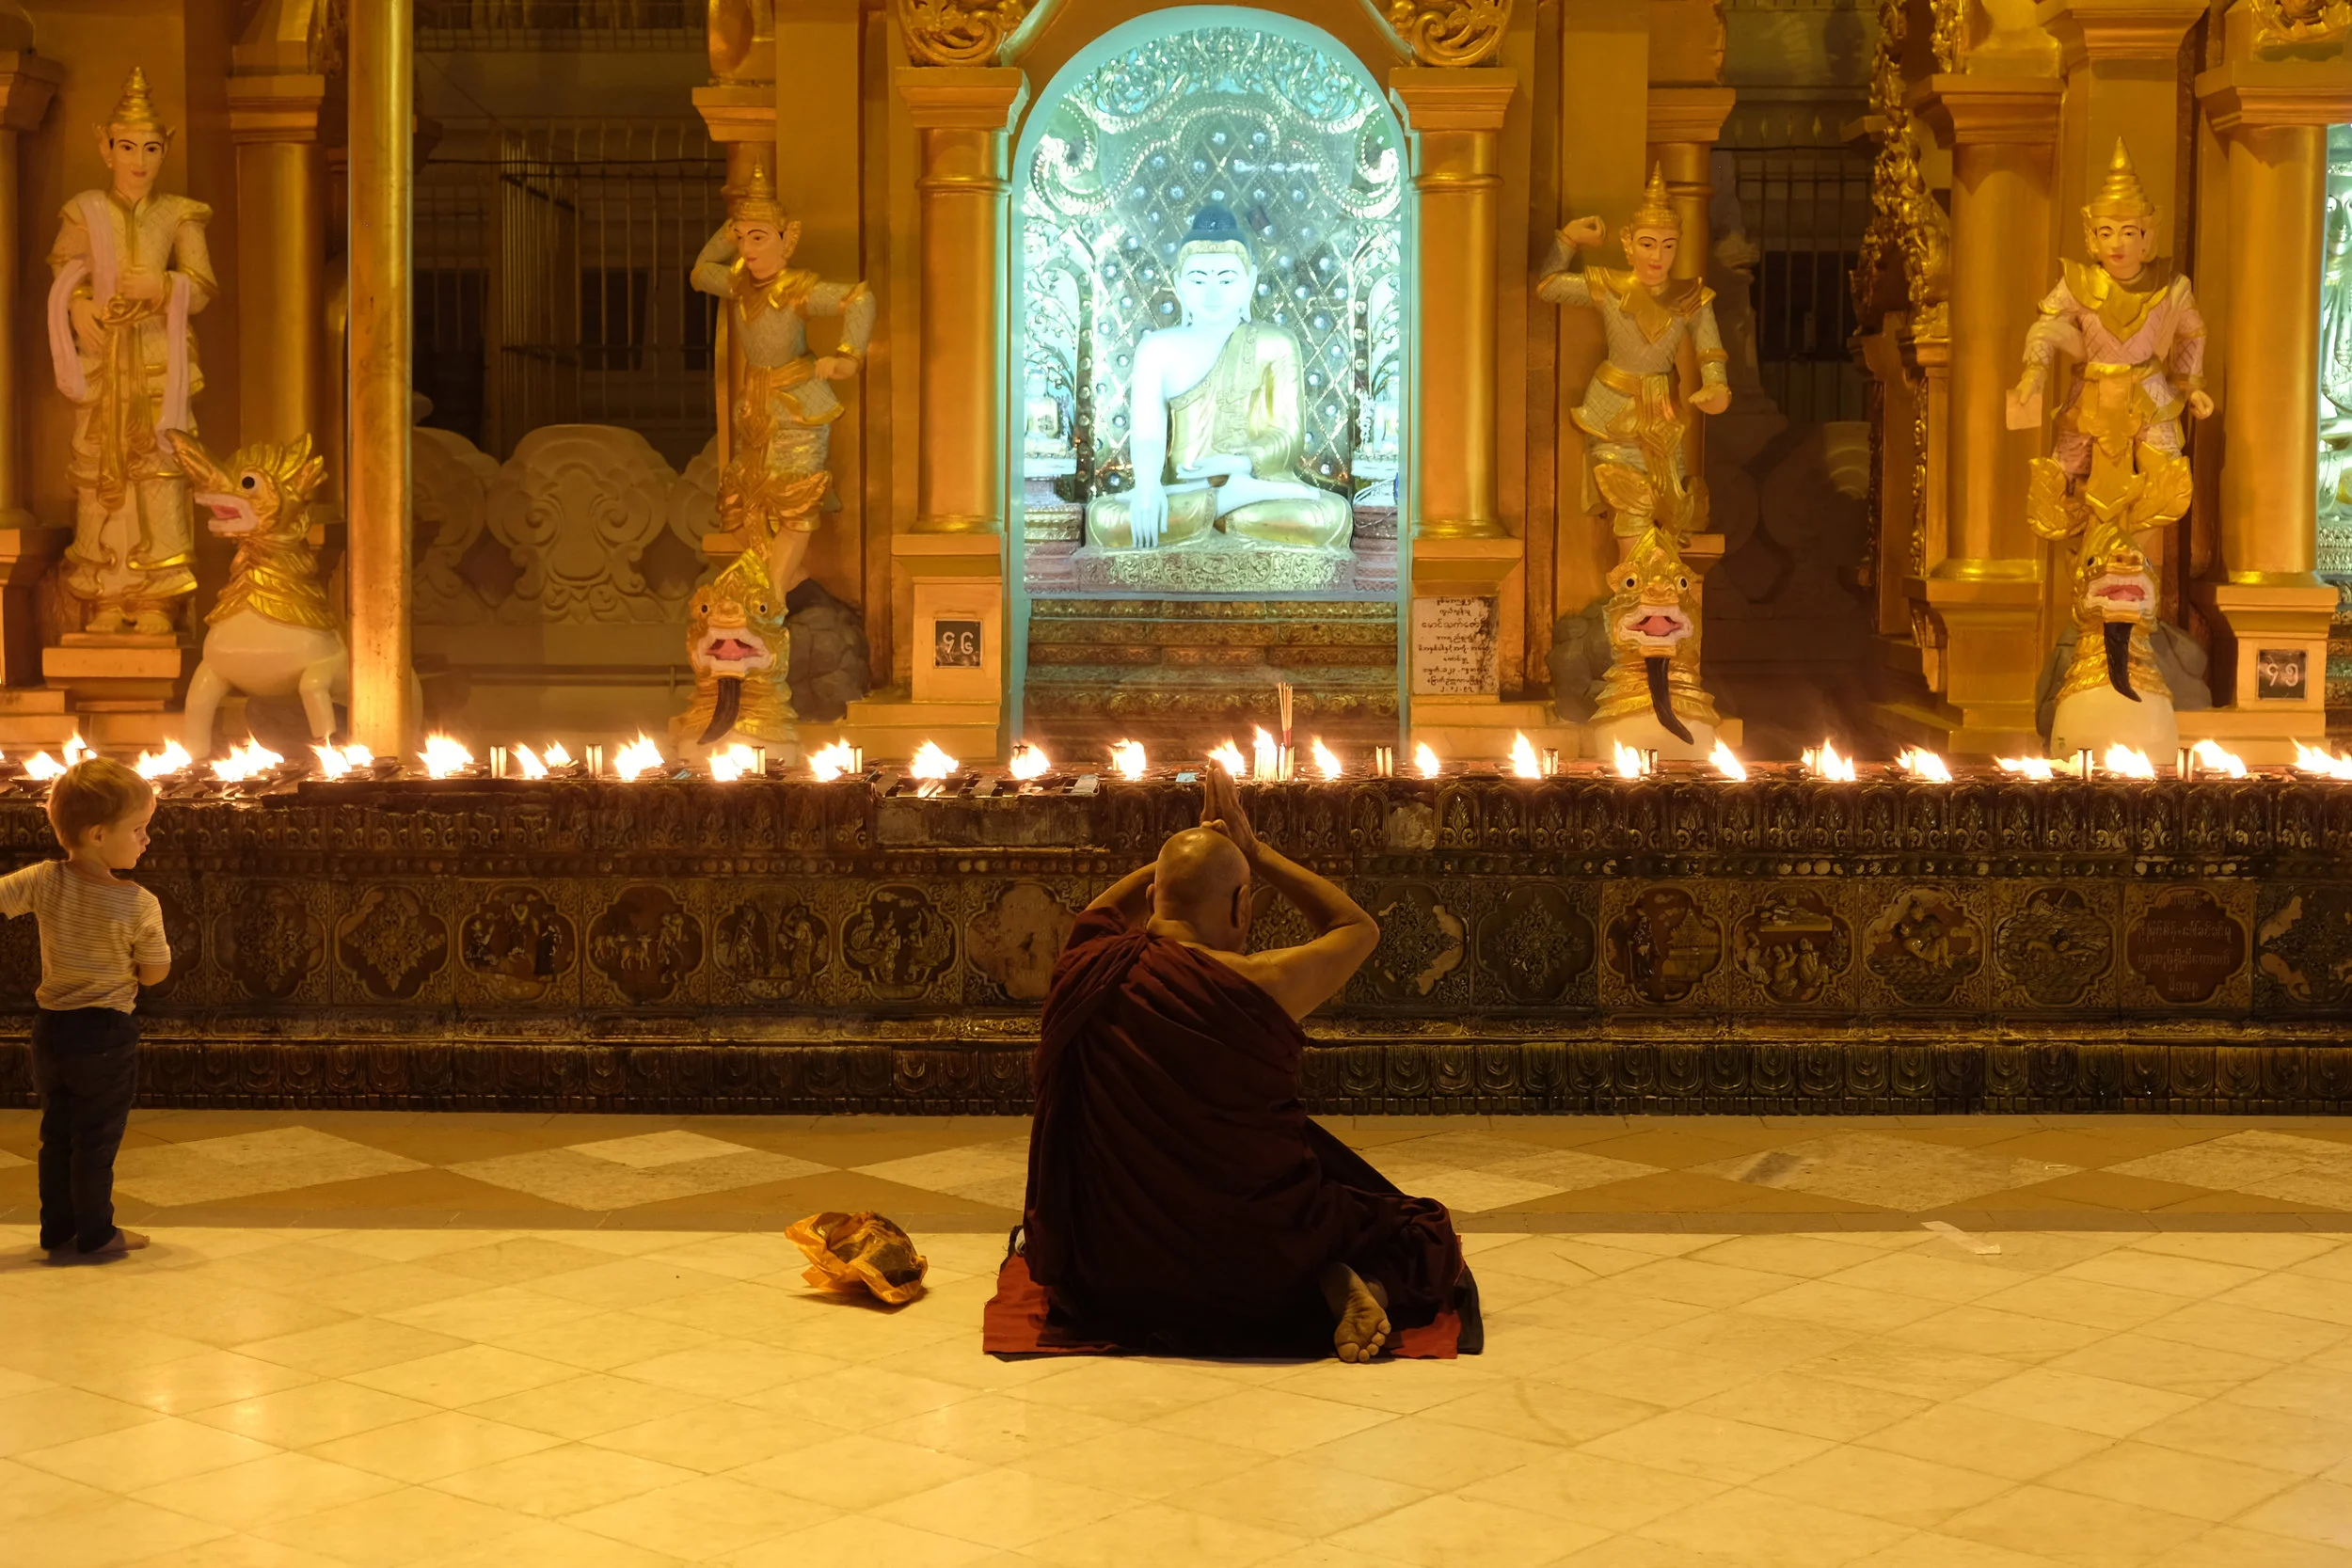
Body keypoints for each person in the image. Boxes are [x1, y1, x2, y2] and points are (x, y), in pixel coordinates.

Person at [1020, 768, 1470, 1361]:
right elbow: (1357, 928)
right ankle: (1367, 1287)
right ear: (1241, 904)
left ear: (1154, 896)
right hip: (1261, 1265)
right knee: (1424, 1232)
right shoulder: (1264, 982)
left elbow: (1098, 912)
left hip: (1114, 1272)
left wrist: (1177, 854)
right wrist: (1255, 852)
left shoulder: (1090, 964)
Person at [1, 756, 170, 1258]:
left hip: (51, 1031)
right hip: (104, 1035)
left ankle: (57, 1230)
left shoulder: (43, 880)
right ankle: (97, 1233)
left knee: (57, 1135)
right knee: (96, 1138)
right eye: (138, 829)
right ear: (98, 835)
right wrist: (139, 967)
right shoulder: (138, 903)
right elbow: (155, 971)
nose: (146, 840)